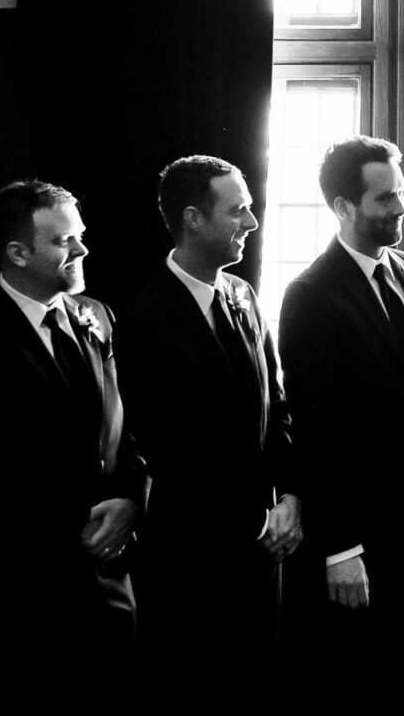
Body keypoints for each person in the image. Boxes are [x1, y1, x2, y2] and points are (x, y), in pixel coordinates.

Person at [111, 156, 300, 709]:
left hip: (264, 553)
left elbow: (276, 404)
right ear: (193, 218)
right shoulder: (145, 318)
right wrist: (258, 520)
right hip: (193, 558)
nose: (251, 222)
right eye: (237, 209)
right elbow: (167, 449)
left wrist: (290, 496)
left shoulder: (242, 294)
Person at [0, 180, 145, 711]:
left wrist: (132, 498)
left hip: (111, 579)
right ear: (17, 252)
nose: (83, 250)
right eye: (66, 242)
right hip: (22, 592)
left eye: (80, 237)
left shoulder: (98, 316)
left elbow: (130, 427)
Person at [276, 137, 404, 707]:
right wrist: (341, 547)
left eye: (400, 193)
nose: (399, 207)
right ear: (344, 208)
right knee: (366, 687)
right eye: (384, 198)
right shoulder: (310, 295)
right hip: (363, 531)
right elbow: (316, 429)